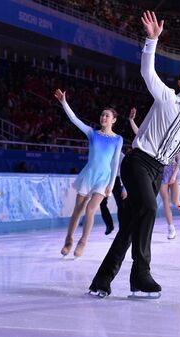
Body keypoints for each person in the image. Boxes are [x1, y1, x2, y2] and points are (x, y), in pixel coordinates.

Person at [89, 11, 180, 298]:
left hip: (158, 171)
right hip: (138, 161)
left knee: (129, 227)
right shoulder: (166, 97)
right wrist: (151, 41)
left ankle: (101, 281)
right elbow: (146, 72)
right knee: (150, 210)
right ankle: (141, 274)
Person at [54, 89, 123, 258]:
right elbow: (74, 119)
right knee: (78, 209)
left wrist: (111, 183)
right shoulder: (92, 133)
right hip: (89, 174)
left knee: (91, 209)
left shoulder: (117, 139)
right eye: (102, 115)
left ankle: (83, 242)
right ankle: (69, 240)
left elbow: (115, 163)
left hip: (104, 177)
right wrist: (64, 102)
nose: (103, 117)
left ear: (113, 120)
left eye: (107, 116)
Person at [129, 107, 180, 238]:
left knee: (175, 201)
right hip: (162, 171)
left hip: (174, 171)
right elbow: (140, 134)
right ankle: (171, 228)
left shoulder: (178, 136)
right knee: (165, 200)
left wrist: (175, 175)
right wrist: (131, 121)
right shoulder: (158, 135)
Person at [99, 151, 127, 235]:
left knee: (121, 204)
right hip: (104, 179)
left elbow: (125, 172)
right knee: (102, 203)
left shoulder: (121, 155)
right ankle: (109, 225)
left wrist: (125, 189)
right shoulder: (104, 152)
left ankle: (122, 227)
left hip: (116, 179)